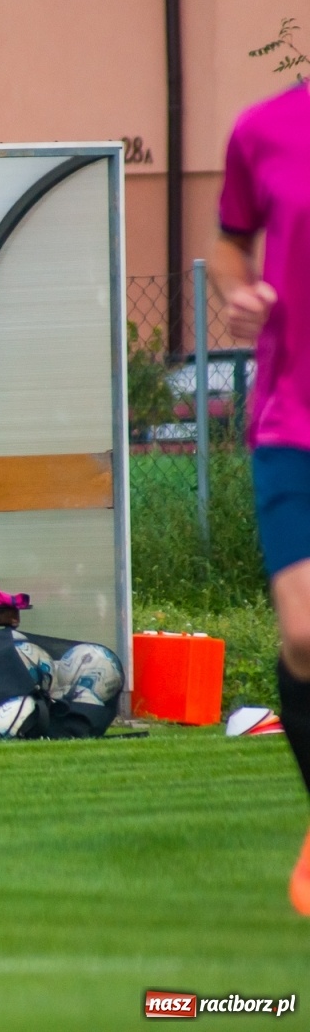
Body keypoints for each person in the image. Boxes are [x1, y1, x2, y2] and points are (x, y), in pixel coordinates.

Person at [210, 77, 310, 916]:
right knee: (306, 632)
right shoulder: (266, 129)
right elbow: (230, 242)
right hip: (293, 419)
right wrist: (240, 293)